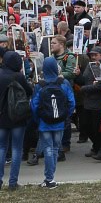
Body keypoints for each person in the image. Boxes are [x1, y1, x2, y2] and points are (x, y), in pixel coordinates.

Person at [31, 57, 75, 189]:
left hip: (44, 122)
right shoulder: (64, 83)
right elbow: (71, 102)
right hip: (60, 122)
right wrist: (65, 116)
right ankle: (51, 177)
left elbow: (34, 105)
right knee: (55, 148)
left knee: (48, 149)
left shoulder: (40, 85)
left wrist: (38, 119)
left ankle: (49, 179)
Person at [0, 51, 33, 190]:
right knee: (16, 148)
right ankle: (13, 182)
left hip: (1, 117)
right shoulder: (18, 76)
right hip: (18, 117)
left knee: (1, 148)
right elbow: (29, 91)